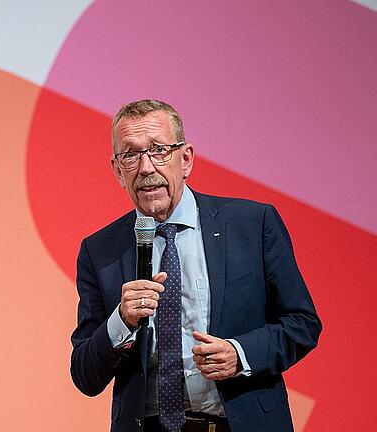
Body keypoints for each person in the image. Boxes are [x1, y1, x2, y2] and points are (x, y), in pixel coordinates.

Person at [69, 99, 321, 432]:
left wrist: (240, 353)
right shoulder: (99, 251)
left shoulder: (252, 224)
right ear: (118, 171)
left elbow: (302, 324)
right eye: (131, 155)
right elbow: (85, 375)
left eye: (159, 150)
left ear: (185, 159)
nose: (146, 168)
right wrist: (121, 320)